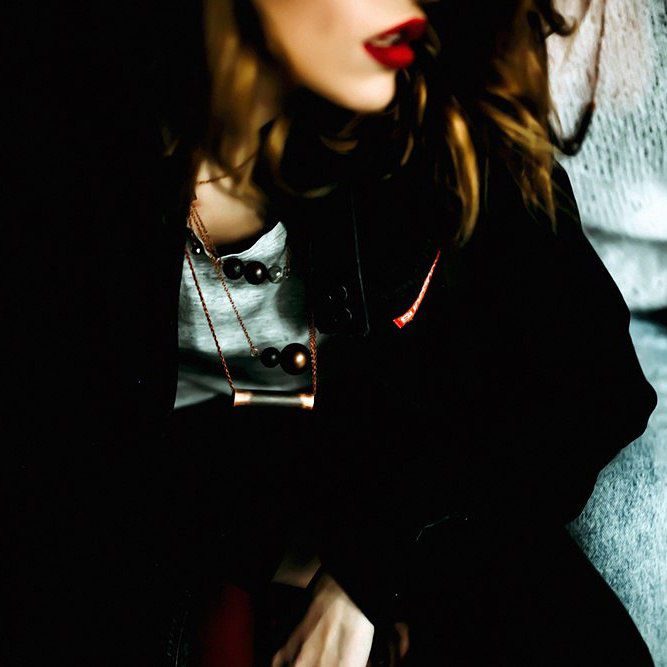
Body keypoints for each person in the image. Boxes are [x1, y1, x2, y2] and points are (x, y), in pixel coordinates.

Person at [3, 1, 657, 665]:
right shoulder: (63, 146)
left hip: (412, 564)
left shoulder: (443, 115)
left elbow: (595, 386)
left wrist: (364, 569)